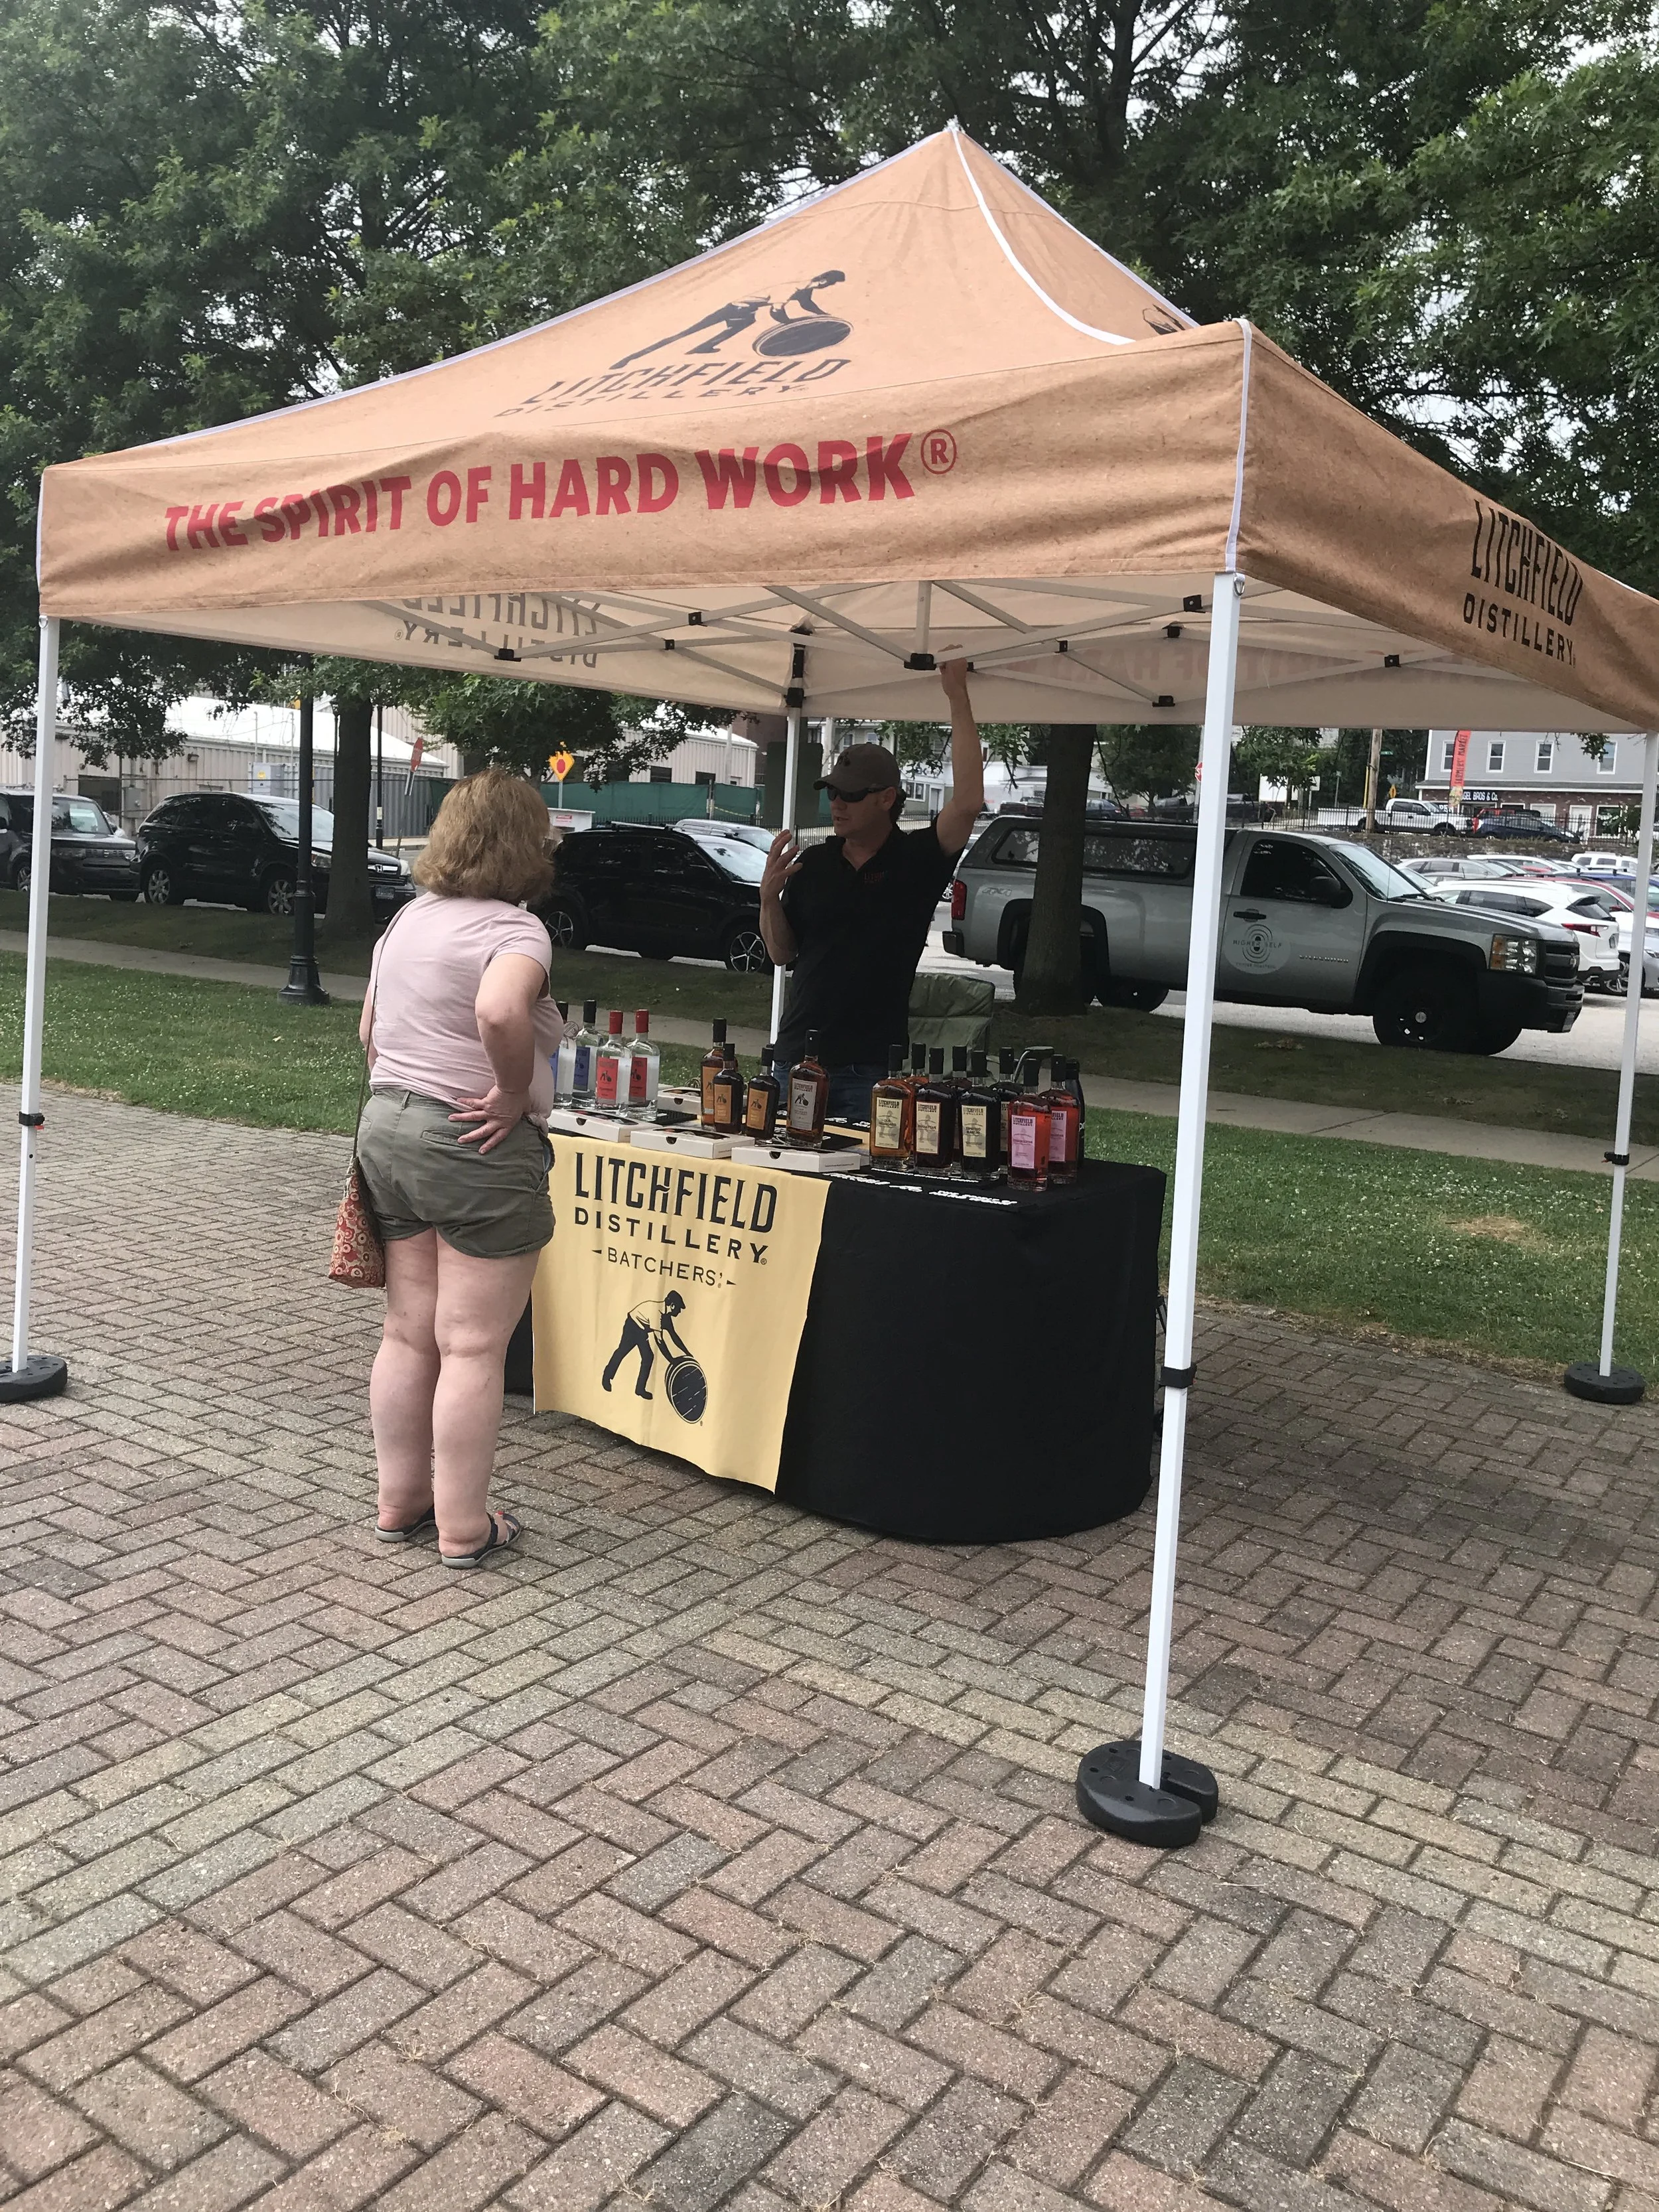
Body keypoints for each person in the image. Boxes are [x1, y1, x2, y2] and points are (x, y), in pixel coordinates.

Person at [355, 769, 562, 1568]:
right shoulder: (516, 932)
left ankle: (399, 1501)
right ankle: (466, 1529)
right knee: (473, 1346)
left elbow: (369, 1031)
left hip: (388, 1129)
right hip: (472, 1144)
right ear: (527, 846)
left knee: (410, 1333)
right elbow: (500, 1010)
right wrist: (512, 1091)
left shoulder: (407, 918)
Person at [759, 660, 985, 1122]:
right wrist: (767, 900)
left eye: (850, 794)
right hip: (795, 1060)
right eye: (831, 793)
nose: (836, 803)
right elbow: (782, 954)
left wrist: (957, 696)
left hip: (870, 1071)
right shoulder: (814, 862)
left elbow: (967, 802)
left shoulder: (917, 857)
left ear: (887, 798)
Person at [601, 1291, 690, 1400]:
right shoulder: (658, 1313)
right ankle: (607, 1376)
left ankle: (640, 1389)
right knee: (622, 1351)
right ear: (672, 1306)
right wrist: (672, 1360)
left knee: (648, 1357)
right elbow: (660, 1341)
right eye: (679, 1308)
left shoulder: (666, 1317)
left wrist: (688, 1353)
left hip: (642, 1331)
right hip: (632, 1326)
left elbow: (674, 1337)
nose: (680, 1311)